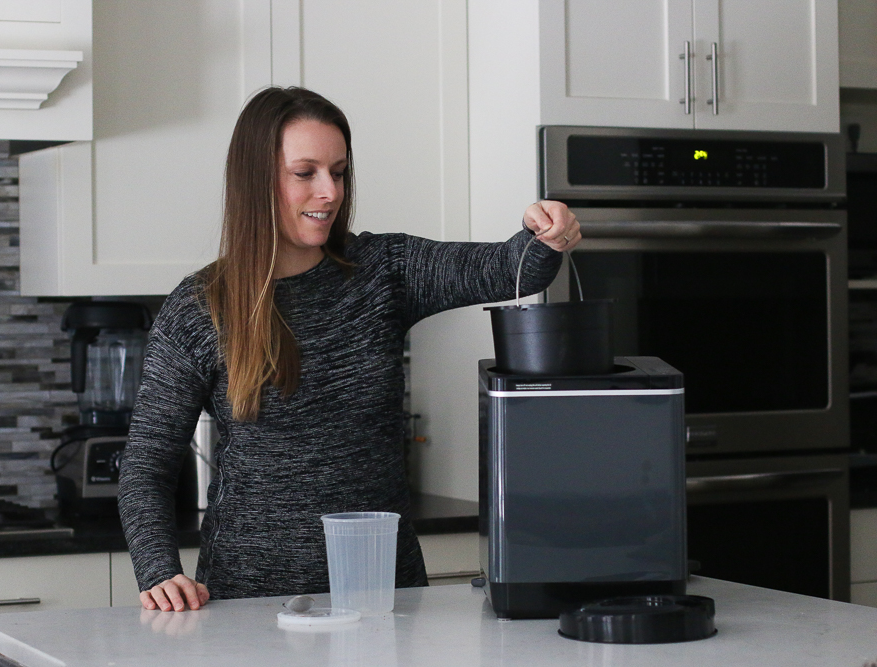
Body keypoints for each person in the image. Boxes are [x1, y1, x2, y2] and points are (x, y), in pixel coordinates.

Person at [118, 86, 581, 612]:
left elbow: (503, 267)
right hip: (249, 605)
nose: (330, 192)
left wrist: (545, 234)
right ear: (256, 179)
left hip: (387, 597)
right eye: (305, 173)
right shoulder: (202, 308)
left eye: (338, 172)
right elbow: (146, 466)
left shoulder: (383, 271)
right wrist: (158, 570)